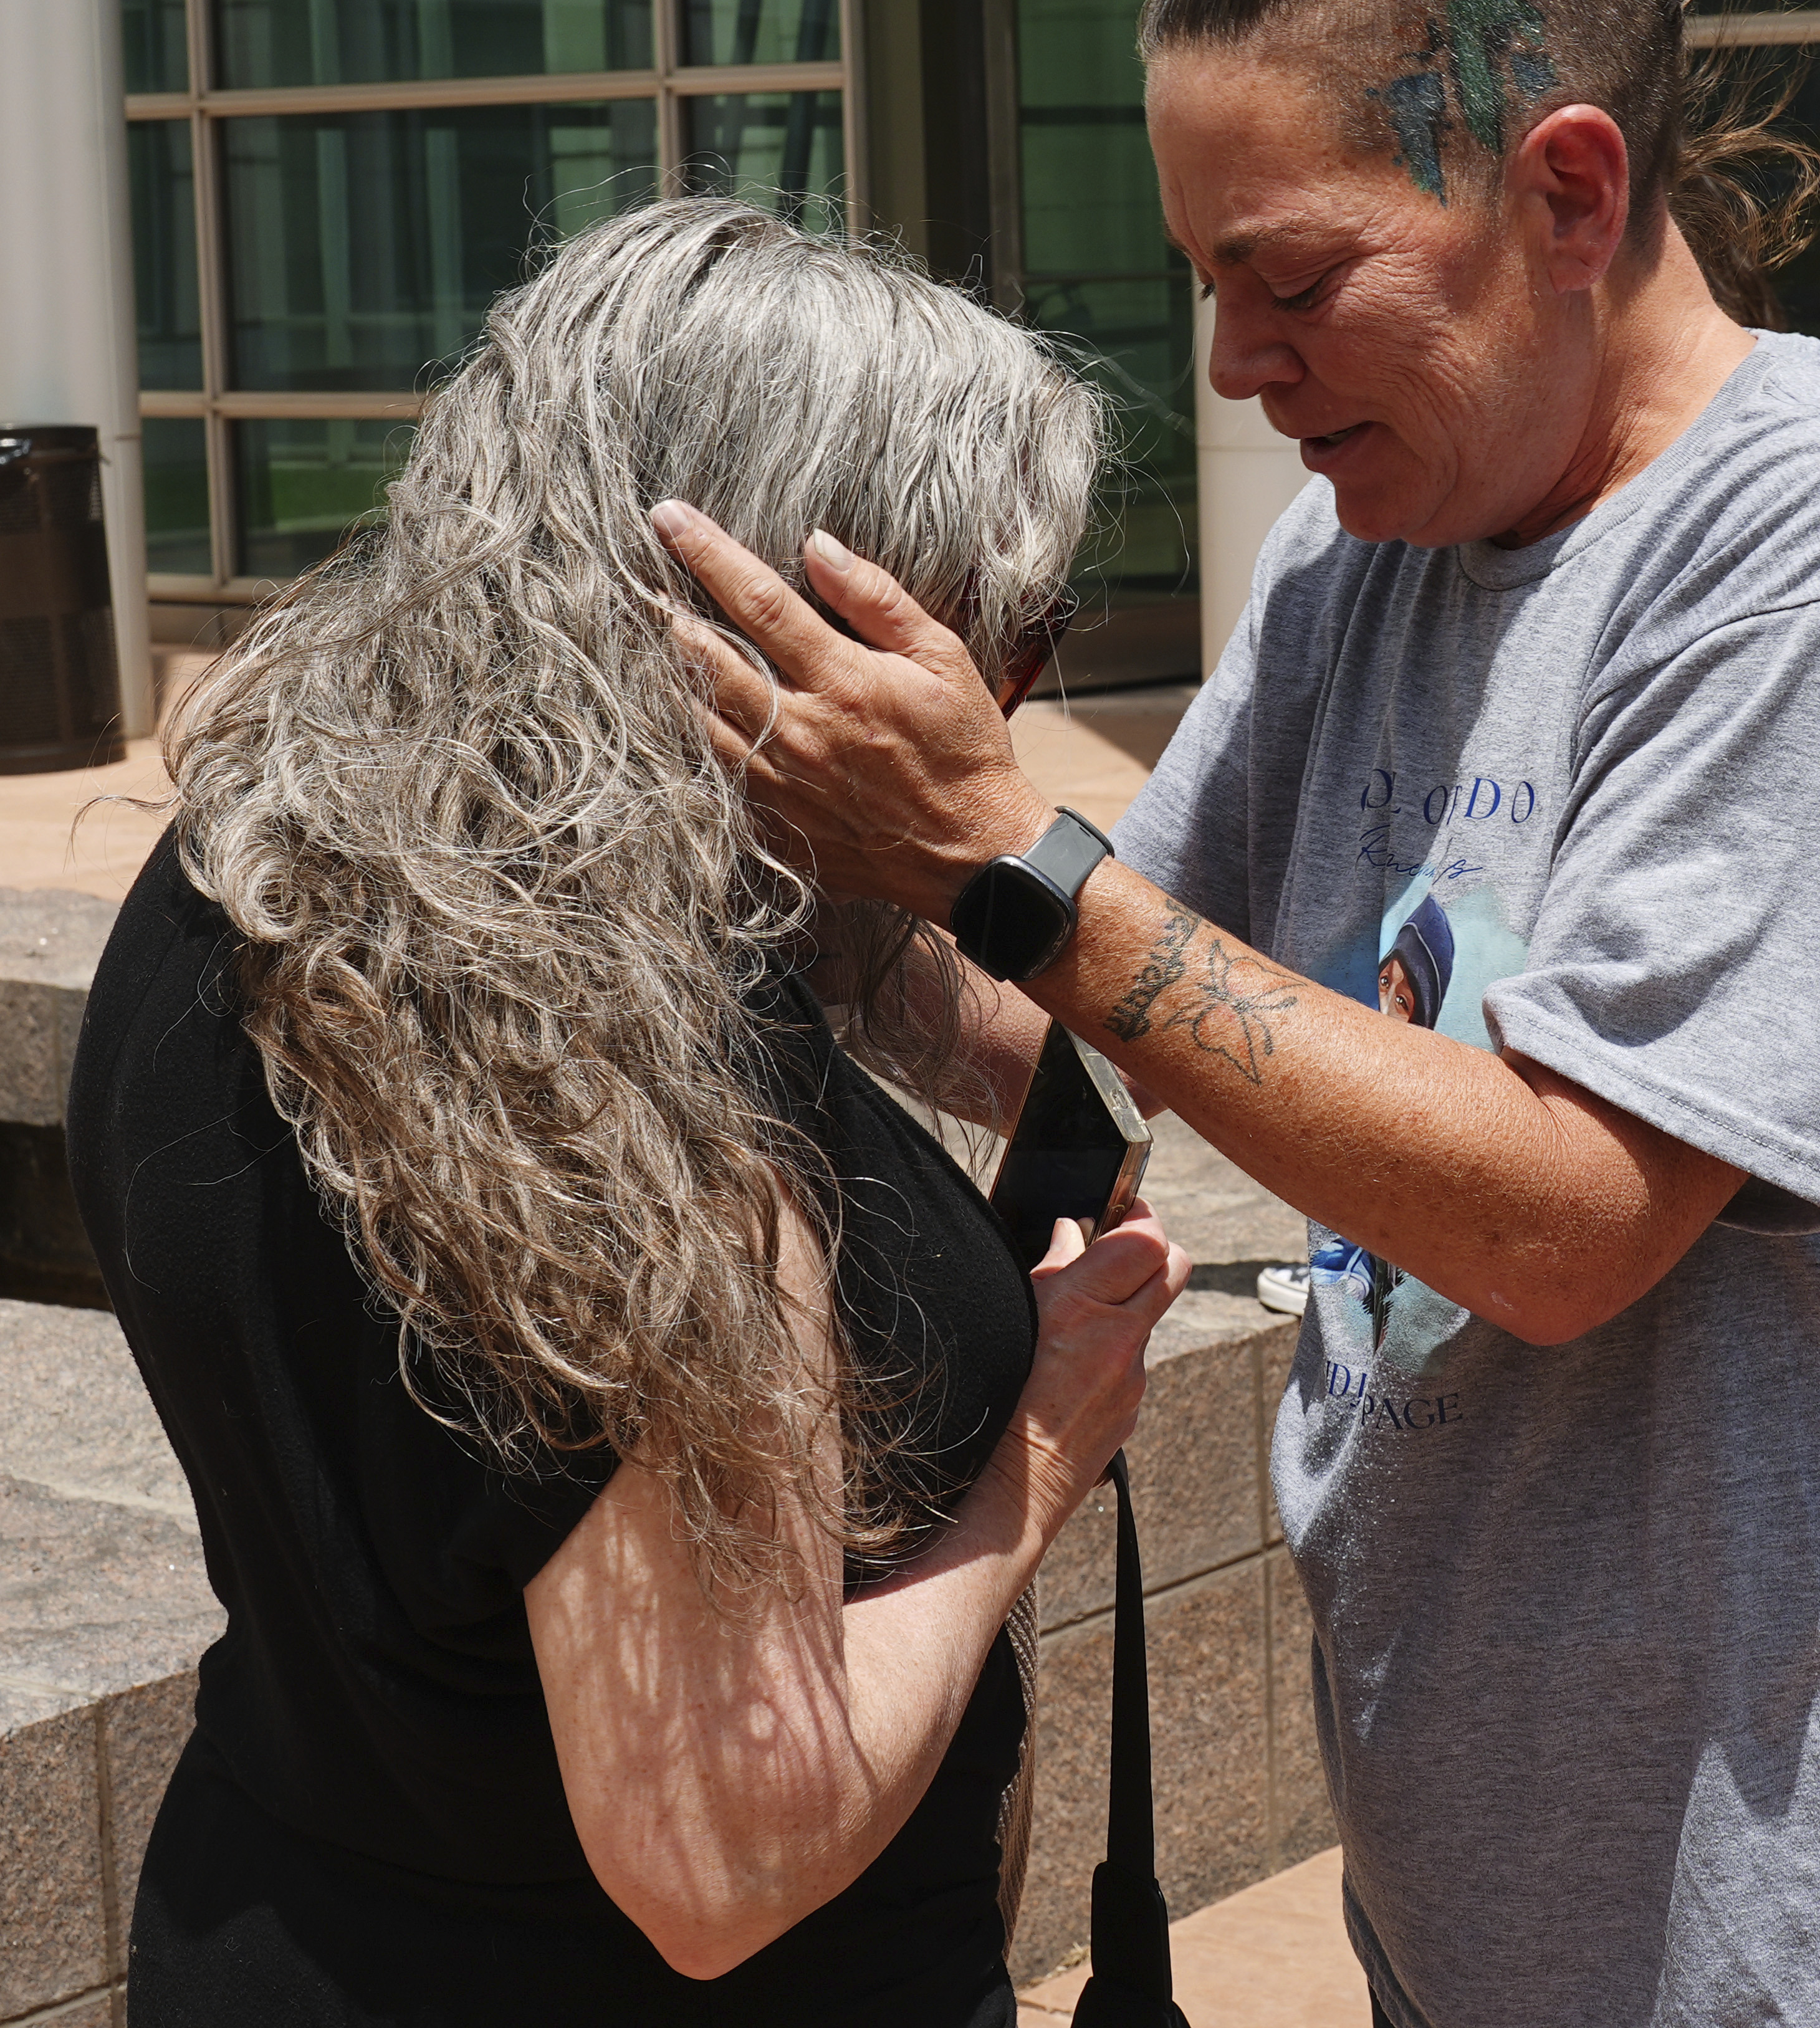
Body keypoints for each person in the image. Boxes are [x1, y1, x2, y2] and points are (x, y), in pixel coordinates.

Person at [653, 0, 1820, 2028]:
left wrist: (993, 854)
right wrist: (789, 837)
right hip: (1491, 1904)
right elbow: (1086, 1003)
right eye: (1204, 282)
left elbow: (1562, 1220)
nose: (1232, 362)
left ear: (1563, 191)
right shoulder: (1380, 561)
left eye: (1294, 278)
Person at [68, 201, 1191, 2026]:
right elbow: (721, 1860)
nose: (998, 712)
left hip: (282, 1920)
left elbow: (749, 919)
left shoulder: (260, 874)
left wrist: (1015, 966)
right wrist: (1048, 1442)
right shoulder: (668, 1155)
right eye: (1002, 644)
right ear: (788, 625)